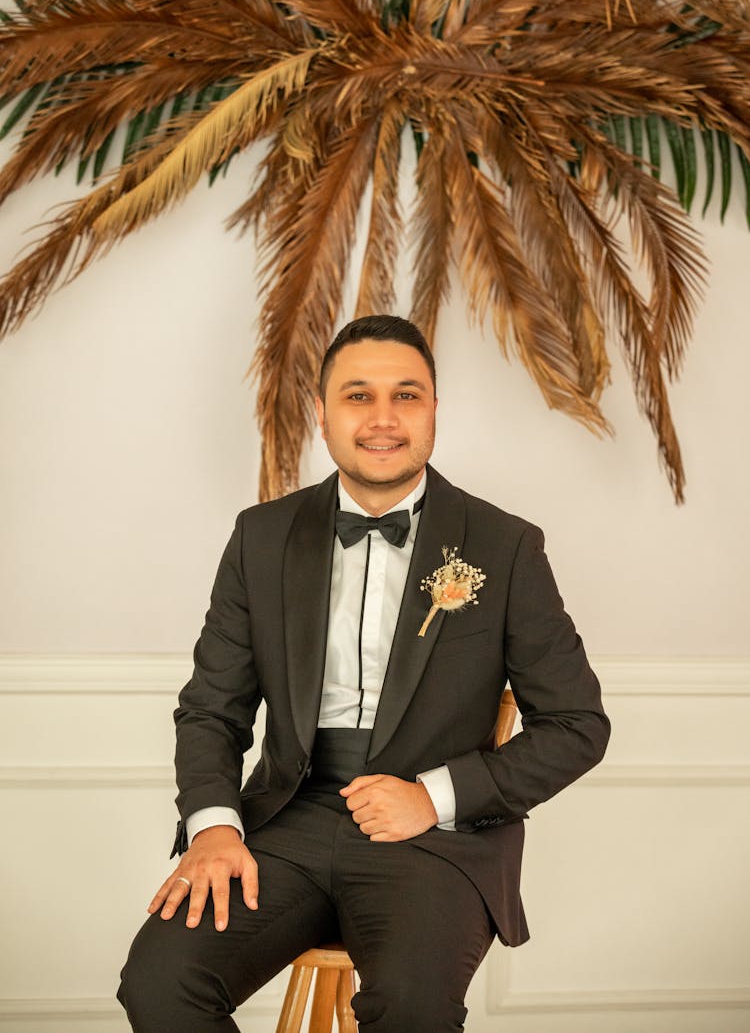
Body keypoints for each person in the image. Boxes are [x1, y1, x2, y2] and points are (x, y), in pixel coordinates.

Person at [118, 315, 610, 1032]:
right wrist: (214, 828)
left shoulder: (504, 546)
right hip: (287, 821)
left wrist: (432, 795)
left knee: (410, 1009)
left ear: (435, 410)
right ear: (323, 414)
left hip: (436, 839)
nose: (383, 418)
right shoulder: (261, 537)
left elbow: (577, 724)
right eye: (358, 396)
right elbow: (211, 710)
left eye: (406, 395)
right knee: (160, 983)